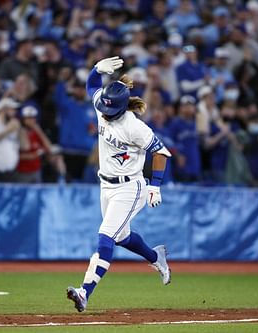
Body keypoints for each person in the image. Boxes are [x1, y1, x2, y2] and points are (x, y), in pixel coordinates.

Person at [67, 56, 172, 312]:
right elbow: (91, 87)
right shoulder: (102, 102)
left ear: (123, 107)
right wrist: (95, 70)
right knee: (122, 236)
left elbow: (161, 153)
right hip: (106, 185)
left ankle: (84, 292)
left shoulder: (134, 127)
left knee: (106, 237)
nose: (104, 112)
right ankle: (155, 256)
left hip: (130, 187)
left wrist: (154, 185)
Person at [17, 105, 66, 183]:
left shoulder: (36, 132)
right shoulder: (18, 132)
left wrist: (38, 130)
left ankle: (63, 179)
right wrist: (31, 156)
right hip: (22, 171)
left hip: (36, 170)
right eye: (28, 118)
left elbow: (49, 148)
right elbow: (19, 153)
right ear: (23, 119)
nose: (31, 120)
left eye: (33, 118)